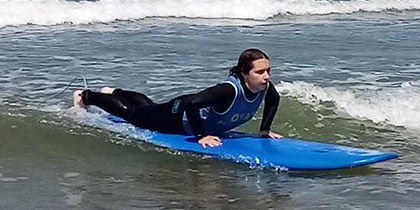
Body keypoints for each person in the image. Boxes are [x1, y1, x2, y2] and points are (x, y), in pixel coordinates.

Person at [73, 48, 282, 147]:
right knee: (135, 115)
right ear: (245, 73)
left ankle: (115, 92)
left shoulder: (263, 87)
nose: (266, 76)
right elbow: (191, 105)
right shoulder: (228, 91)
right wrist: (201, 137)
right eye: (260, 72)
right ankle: (87, 96)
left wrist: (264, 130)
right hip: (177, 117)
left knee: (149, 106)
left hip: (185, 105)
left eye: (268, 71)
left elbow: (274, 100)